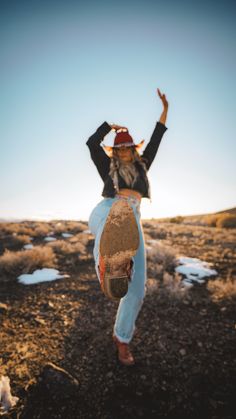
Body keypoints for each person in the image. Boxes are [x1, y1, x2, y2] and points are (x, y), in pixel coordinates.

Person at [86, 88, 169, 366]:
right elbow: (91, 143)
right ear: (115, 150)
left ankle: (122, 338)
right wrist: (110, 126)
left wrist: (164, 110)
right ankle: (106, 266)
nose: (123, 151)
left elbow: (156, 140)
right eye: (119, 147)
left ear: (133, 149)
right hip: (108, 209)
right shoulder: (107, 166)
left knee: (136, 291)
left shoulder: (143, 165)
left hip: (133, 220)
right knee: (107, 229)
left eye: (127, 147)